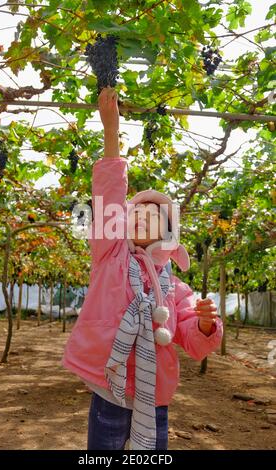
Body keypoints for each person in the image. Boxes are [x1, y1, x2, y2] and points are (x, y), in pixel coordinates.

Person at [62, 87, 223, 450]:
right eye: (133, 213)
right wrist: (110, 133)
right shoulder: (111, 256)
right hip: (111, 386)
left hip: (156, 392)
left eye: (150, 216)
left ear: (168, 231)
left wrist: (205, 325)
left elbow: (190, 340)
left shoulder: (175, 287)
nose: (138, 219)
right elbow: (107, 196)